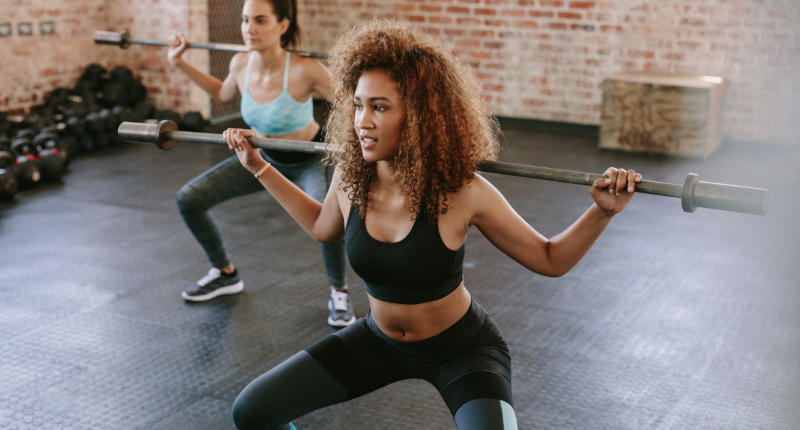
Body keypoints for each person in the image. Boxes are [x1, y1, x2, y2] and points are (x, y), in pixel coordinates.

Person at [225, 19, 642, 429]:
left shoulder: (462, 191)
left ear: (420, 116)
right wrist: (259, 167)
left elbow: (550, 259)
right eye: (358, 105)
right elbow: (323, 227)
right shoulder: (350, 178)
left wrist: (602, 211)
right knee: (252, 411)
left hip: (462, 350)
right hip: (377, 341)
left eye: (380, 107)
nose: (362, 121)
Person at [165, 0, 356, 327]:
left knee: (328, 227)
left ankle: (339, 292)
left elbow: (353, 103)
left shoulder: (305, 68)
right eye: (245, 20)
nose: (248, 29)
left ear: (282, 25)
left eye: (260, 20)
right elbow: (223, 94)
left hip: (309, 158)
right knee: (190, 198)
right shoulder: (241, 64)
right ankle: (225, 274)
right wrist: (178, 61)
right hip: (260, 157)